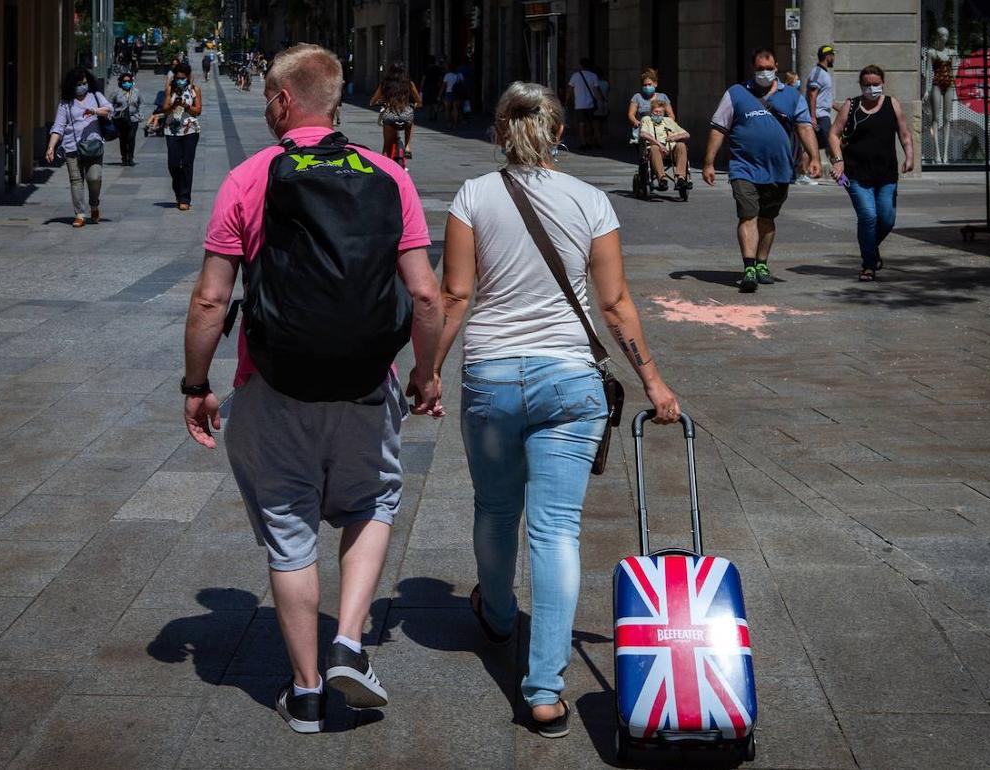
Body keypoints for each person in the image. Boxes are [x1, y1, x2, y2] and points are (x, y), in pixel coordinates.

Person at [182, 43, 443, 736]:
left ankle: (303, 693)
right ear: (332, 101)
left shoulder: (248, 177)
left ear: (281, 100)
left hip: (271, 384)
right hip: (365, 382)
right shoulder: (387, 173)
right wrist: (427, 372)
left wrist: (196, 383)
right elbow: (424, 294)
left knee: (289, 529)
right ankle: (350, 641)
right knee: (375, 499)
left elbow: (212, 301)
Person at [432, 80, 682, 740]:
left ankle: (497, 614)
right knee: (557, 530)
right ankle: (543, 691)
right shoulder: (591, 200)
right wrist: (652, 381)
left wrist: (425, 370)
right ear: (559, 134)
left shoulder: (473, 196)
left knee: (494, 507)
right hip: (570, 379)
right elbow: (615, 304)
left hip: (490, 374)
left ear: (499, 132)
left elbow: (455, 295)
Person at [702, 47, 820, 293]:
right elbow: (718, 128)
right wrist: (709, 163)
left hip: (779, 169)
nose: (764, 73)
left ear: (776, 67)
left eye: (769, 68)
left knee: (767, 219)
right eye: (760, 69)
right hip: (743, 167)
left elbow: (805, 128)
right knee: (748, 215)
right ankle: (749, 268)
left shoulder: (792, 96)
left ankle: (762, 264)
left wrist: (814, 156)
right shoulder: (735, 93)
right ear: (752, 69)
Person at [828, 64, 914, 281]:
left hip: (886, 173)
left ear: (882, 83)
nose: (872, 88)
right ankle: (868, 265)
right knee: (868, 216)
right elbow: (833, 134)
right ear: (861, 85)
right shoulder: (851, 105)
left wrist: (910, 156)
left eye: (876, 84)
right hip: (855, 174)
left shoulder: (892, 104)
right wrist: (838, 162)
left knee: (886, 219)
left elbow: (904, 134)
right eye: (867, 85)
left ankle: (870, 247)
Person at [44, 67, 112, 227]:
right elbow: (58, 127)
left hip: (93, 145)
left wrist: (94, 111)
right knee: (76, 181)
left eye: (85, 83)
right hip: (71, 147)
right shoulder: (66, 103)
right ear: (71, 84)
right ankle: (80, 214)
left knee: (94, 178)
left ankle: (94, 204)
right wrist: (51, 147)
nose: (83, 86)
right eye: (79, 83)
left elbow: (110, 109)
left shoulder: (95, 96)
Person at [162, 61, 202, 210]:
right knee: (173, 163)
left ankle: (185, 197)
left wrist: (186, 106)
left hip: (190, 130)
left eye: (183, 77)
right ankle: (178, 191)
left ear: (188, 77)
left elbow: (198, 111)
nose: (180, 80)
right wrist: (173, 105)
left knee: (187, 164)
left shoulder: (194, 90)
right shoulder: (170, 90)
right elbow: (164, 110)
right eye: (178, 77)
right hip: (172, 130)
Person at [370, 61, 423, 159]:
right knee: (410, 121)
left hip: (390, 115)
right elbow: (419, 101)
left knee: (386, 146)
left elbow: (373, 101)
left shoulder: (385, 84)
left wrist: (377, 103)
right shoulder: (409, 84)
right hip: (406, 115)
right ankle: (407, 147)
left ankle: (385, 166)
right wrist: (415, 105)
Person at [640, 96, 691, 193]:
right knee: (654, 148)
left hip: (671, 151)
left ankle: (681, 178)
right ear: (651, 112)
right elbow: (643, 134)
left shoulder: (669, 121)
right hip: (656, 150)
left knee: (681, 146)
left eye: (660, 112)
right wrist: (659, 144)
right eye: (656, 112)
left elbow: (687, 134)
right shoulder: (647, 120)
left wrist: (674, 137)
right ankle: (662, 179)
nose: (658, 114)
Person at [802, 45, 837, 185]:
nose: (833, 58)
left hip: (823, 114)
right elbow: (812, 94)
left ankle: (802, 174)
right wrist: (812, 116)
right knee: (831, 143)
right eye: (832, 55)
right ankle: (840, 173)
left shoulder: (824, 73)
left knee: (812, 146)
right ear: (828, 56)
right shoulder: (817, 73)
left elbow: (824, 98)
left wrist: (842, 108)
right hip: (819, 115)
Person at [627, 67, 676, 144]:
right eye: (645, 85)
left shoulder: (663, 97)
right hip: (644, 130)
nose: (647, 87)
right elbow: (631, 114)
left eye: (649, 84)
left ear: (655, 84)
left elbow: (671, 115)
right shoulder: (637, 97)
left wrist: (667, 125)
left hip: (660, 129)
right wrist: (635, 121)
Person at [566, 58, 603, 149]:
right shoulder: (593, 75)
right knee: (591, 123)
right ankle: (591, 141)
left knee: (581, 124)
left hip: (579, 104)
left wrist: (567, 100)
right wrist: (601, 101)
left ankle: (583, 143)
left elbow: (570, 90)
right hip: (591, 104)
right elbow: (596, 90)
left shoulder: (575, 76)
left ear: (580, 65)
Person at [110, 71, 143, 166]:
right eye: (124, 81)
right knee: (123, 139)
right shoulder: (116, 92)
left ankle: (131, 158)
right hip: (120, 119)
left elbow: (141, 103)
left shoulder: (136, 91)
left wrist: (140, 114)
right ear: (121, 82)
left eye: (129, 81)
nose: (127, 83)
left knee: (131, 138)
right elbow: (109, 104)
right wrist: (113, 113)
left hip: (133, 118)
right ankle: (124, 158)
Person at [440, 61, 464, 129]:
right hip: (457, 93)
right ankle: (455, 124)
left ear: (449, 68)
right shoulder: (460, 75)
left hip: (449, 93)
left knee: (447, 109)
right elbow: (462, 84)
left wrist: (439, 95)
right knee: (455, 108)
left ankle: (448, 124)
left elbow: (443, 86)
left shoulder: (447, 75)